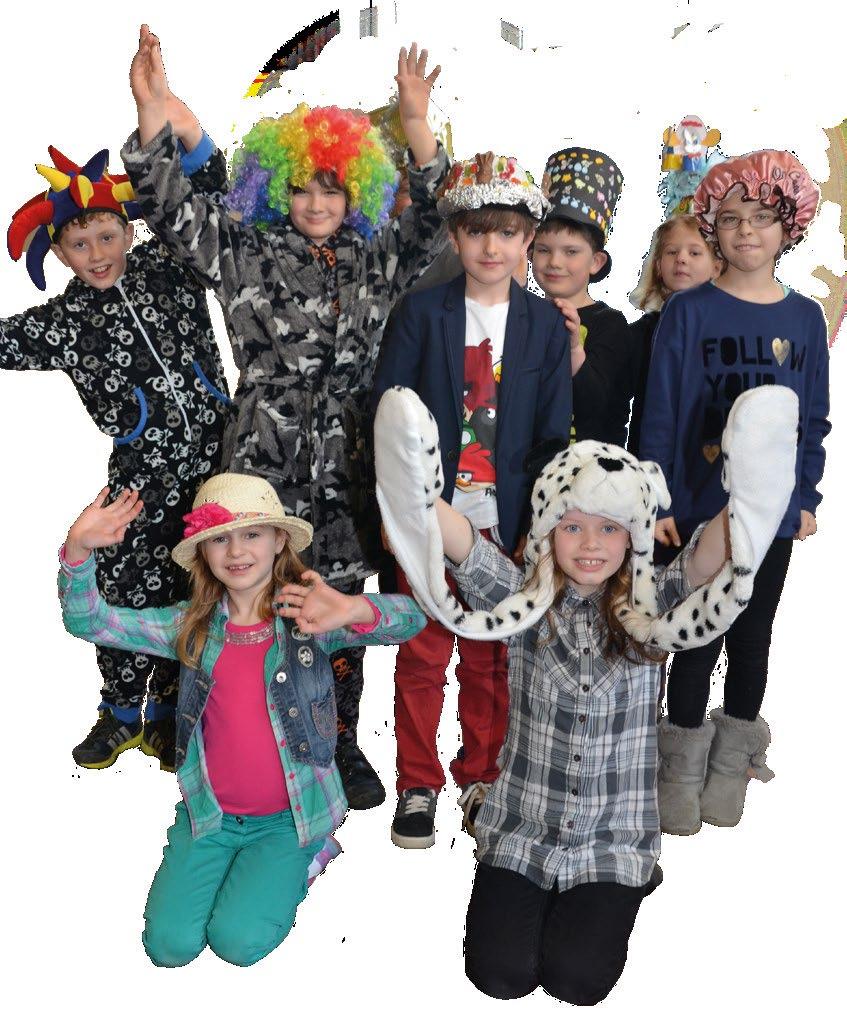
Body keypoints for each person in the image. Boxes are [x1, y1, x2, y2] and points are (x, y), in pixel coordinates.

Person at [372, 381, 799, 1003]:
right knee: (499, 976)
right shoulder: (524, 601)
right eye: (572, 527)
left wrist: (753, 494)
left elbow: (708, 558)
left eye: (609, 528)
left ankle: (621, 888)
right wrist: (411, 481)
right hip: (522, 827)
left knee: (578, 981)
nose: (592, 544)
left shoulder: (653, 607)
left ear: (633, 536)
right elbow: (465, 546)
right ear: (548, 531)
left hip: (613, 838)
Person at [122, 26, 450, 808]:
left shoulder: (377, 257)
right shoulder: (245, 250)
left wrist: (414, 123)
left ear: (356, 193)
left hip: (347, 465)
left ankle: (338, 741)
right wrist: (150, 108)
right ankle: (235, 735)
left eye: (333, 190)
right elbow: (169, 208)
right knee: (242, 600)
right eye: (302, 188)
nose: (317, 203)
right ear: (278, 189)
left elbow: (435, 218)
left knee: (336, 605)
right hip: (259, 461)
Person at [58, 473, 425, 967]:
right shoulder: (188, 626)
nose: (236, 550)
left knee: (238, 943)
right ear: (203, 552)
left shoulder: (309, 617)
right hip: (210, 816)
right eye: (219, 539)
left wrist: (354, 607)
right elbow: (89, 621)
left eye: (251, 534)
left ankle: (312, 856)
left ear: (279, 541)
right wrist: (78, 551)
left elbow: (412, 619)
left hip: (290, 820)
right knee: (168, 947)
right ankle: (234, 870)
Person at [1, 96, 230, 771]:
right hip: (140, 481)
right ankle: (123, 712)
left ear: (129, 231)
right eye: (80, 244)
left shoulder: (173, 264)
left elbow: (211, 192)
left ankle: (171, 711)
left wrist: (176, 119)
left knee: (202, 588)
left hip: (218, 467)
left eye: (107, 236)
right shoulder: (65, 322)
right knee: (127, 586)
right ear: (59, 252)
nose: (97, 254)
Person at [372, 153, 571, 847]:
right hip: (427, 517)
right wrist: (395, 515)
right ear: (455, 236)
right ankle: (417, 784)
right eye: (477, 231)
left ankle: (483, 775)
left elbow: (552, 434)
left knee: (492, 659)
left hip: (503, 523)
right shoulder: (421, 312)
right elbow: (388, 415)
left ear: (528, 239)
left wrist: (539, 529)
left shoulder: (544, 326)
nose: (492, 247)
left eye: (507, 233)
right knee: (422, 655)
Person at [639, 150, 831, 834]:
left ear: (788, 228)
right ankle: (678, 775)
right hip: (697, 512)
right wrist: (658, 500)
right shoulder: (687, 312)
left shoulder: (805, 319)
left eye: (760, 217)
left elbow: (812, 417)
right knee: (697, 638)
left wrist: (804, 496)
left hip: (772, 515)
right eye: (730, 219)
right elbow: (659, 411)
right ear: (711, 229)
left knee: (752, 638)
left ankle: (728, 774)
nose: (745, 230)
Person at [531, 147, 630, 445]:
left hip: (589, 466)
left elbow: (600, 405)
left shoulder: (610, 325)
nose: (555, 262)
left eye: (571, 251)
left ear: (596, 262)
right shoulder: (523, 314)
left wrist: (574, 348)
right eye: (543, 250)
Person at [626, 213, 722, 456]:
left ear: (716, 267)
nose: (681, 258)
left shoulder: (727, 334)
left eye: (694, 253)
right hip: (648, 461)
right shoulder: (638, 334)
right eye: (671, 252)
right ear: (659, 266)